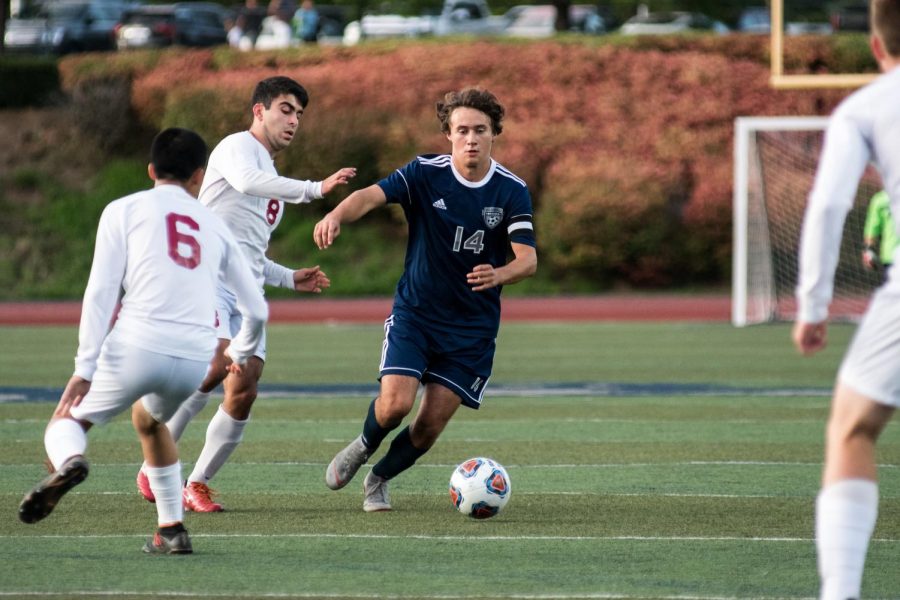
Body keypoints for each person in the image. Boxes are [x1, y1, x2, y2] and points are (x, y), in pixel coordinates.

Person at [18, 128, 268, 554]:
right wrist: (240, 352)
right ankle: (171, 529)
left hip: (136, 344)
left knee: (67, 422)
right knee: (150, 424)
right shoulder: (215, 225)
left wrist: (84, 368)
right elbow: (258, 310)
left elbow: (101, 293)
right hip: (193, 358)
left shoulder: (123, 209)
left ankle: (70, 462)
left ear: (150, 170)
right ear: (199, 177)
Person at [135, 76, 356, 513]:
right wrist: (314, 189)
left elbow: (251, 255)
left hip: (245, 294)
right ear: (259, 111)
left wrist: (291, 278)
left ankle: (195, 482)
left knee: (245, 383)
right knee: (218, 363)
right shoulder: (238, 149)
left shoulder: (270, 180)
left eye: (299, 114)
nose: (293, 121)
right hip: (206, 280)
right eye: (285, 109)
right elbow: (248, 181)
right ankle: (156, 454)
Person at [313, 87, 537, 512]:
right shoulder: (423, 173)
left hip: (472, 328)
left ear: (494, 135)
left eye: (481, 130)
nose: (471, 138)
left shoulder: (511, 190)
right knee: (396, 404)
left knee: (430, 425)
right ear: (448, 134)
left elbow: (528, 261)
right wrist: (335, 215)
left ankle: (379, 477)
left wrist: (500, 272)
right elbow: (369, 196)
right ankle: (363, 443)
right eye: (463, 130)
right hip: (417, 313)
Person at [793, 2, 900, 597]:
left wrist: (814, 307)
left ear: (878, 49)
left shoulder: (867, 107)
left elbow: (830, 206)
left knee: (852, 430)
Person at [861, 189, 898, 282]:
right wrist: (867, 250)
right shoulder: (880, 199)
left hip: (890, 255)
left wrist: (867, 250)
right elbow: (872, 229)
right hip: (891, 256)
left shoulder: (881, 199)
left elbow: (872, 229)